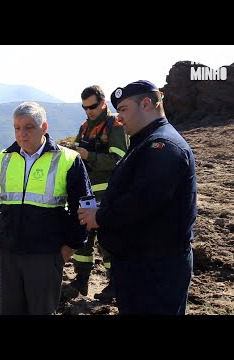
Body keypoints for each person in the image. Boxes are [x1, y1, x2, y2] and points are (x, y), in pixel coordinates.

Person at [78, 80, 196, 315]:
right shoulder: (145, 142)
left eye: (123, 110)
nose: (119, 118)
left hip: (155, 268)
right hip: (138, 264)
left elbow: (143, 200)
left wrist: (100, 216)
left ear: (146, 104)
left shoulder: (163, 146)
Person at [0, 101, 92, 315]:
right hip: (8, 253)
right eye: (17, 128)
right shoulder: (3, 159)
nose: (22, 134)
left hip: (46, 254)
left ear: (44, 128)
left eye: (28, 127)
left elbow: (84, 207)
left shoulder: (68, 160)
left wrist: (69, 248)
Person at [69, 85, 129, 301]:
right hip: (85, 193)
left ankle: (115, 283)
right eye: (84, 107)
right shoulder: (84, 127)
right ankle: (80, 280)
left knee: (107, 239)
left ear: (103, 103)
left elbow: (119, 160)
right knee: (83, 238)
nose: (88, 111)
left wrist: (89, 156)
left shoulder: (116, 125)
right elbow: (75, 156)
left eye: (92, 107)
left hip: (109, 193)